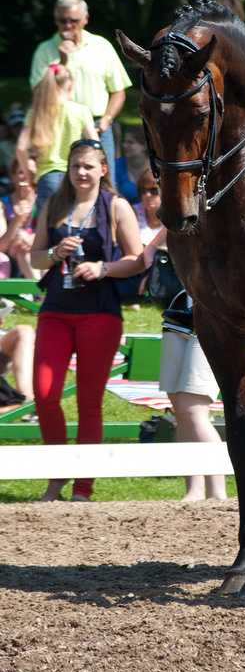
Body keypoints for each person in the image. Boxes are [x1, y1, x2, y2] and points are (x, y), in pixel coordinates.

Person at [30, 138, 143, 501]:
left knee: (88, 403)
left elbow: (137, 259)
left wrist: (103, 267)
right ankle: (56, 478)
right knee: (45, 394)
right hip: (55, 310)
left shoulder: (117, 206)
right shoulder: (54, 203)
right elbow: (35, 259)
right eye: (75, 165)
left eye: (88, 166)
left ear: (103, 170)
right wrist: (53, 252)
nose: (81, 172)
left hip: (99, 313)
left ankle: (82, 488)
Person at [116, 228, 227, 501]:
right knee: (181, 411)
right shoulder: (180, 213)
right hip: (178, 316)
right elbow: (149, 251)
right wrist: (160, 262)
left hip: (215, 319)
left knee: (193, 410)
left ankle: (218, 493)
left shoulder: (226, 210)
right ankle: (195, 490)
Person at [29, 0, 130, 185]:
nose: (68, 25)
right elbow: (38, 93)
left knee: (105, 184)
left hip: (97, 125)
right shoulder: (45, 49)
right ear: (55, 20)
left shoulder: (101, 46)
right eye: (62, 20)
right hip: (58, 127)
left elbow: (118, 90)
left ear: (85, 19)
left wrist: (108, 119)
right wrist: (62, 62)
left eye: (73, 20)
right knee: (60, 184)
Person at [16, 63, 98, 216]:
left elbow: (21, 148)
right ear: (70, 85)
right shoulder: (81, 111)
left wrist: (29, 175)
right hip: (75, 177)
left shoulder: (35, 112)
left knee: (46, 233)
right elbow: (96, 144)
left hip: (46, 177)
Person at [0, 159, 37, 280]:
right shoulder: (3, 204)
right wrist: (17, 219)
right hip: (10, 254)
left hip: (35, 253)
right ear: (13, 177)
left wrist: (32, 238)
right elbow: (1, 247)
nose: (26, 176)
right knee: (21, 237)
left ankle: (38, 293)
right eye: (22, 172)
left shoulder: (43, 202)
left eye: (31, 172)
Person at [114, 126, 151, 204]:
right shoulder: (116, 165)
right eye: (125, 142)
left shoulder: (156, 168)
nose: (124, 145)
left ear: (145, 145)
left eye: (130, 142)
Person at [132, 167, 163, 244]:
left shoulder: (175, 216)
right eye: (143, 190)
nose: (147, 195)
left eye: (154, 190)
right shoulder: (132, 213)